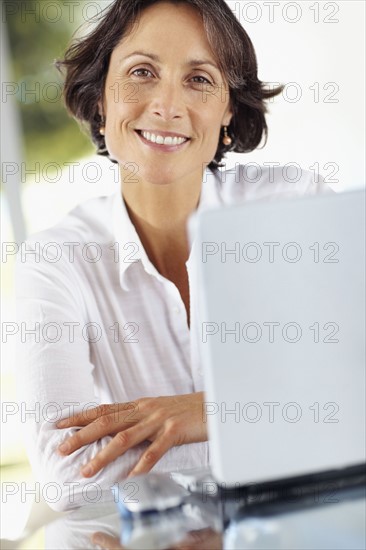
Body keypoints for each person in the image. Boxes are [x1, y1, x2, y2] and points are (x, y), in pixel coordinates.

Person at [15, 0, 330, 513]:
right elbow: (68, 472)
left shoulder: (292, 206)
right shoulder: (57, 261)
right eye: (141, 72)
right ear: (100, 100)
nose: (166, 104)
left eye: (200, 79)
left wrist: (208, 413)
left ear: (229, 108)